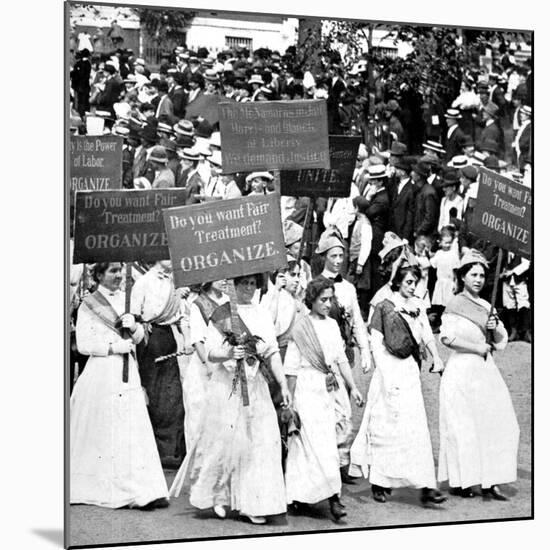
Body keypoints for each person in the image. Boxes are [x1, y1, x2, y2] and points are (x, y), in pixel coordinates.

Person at [169, 274, 290, 525]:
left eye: (252, 283)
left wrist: (283, 383)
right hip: (229, 386)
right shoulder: (221, 314)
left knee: (260, 442)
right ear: (233, 286)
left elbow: (272, 352)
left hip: (256, 386)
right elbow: (210, 353)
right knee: (226, 442)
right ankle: (219, 495)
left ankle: (255, 502)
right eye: (243, 283)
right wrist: (228, 353)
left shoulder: (263, 313)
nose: (248, 288)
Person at [71, 262, 169, 509]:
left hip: (128, 372)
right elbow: (82, 344)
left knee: (131, 426)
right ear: (100, 275)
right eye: (112, 271)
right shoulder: (88, 304)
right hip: (102, 371)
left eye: (119, 271)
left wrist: (133, 327)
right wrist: (113, 347)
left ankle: (140, 489)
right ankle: (113, 487)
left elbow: (139, 339)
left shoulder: (127, 300)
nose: (118, 276)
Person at [349, 261, 447, 506]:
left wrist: (435, 356)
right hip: (388, 373)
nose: (413, 287)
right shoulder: (384, 307)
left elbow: (425, 335)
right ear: (397, 282)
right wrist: (389, 378)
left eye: (416, 282)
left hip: (410, 371)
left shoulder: (418, 306)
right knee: (387, 426)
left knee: (416, 426)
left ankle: (425, 485)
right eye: (409, 282)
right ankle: (380, 482)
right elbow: (377, 345)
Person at [438, 250, 520, 499]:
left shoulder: (487, 305)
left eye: (482, 275)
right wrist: (476, 346)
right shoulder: (454, 304)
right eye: (473, 274)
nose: (478, 279)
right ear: (463, 277)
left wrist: (494, 330)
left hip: (485, 371)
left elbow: (502, 340)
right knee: (463, 426)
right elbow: (447, 337)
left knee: (496, 422)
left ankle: (491, 479)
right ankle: (462, 480)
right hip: (461, 371)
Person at [284, 278, 364, 521]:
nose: (328, 304)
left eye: (331, 299)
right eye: (323, 300)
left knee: (327, 445)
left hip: (326, 391)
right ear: (312, 300)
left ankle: (332, 495)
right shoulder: (301, 328)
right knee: (308, 446)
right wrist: (290, 402)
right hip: (306, 391)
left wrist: (354, 387)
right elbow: (291, 368)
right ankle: (306, 496)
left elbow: (340, 360)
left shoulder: (331, 325)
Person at [130, 260, 186, 468]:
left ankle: (172, 449)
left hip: (168, 336)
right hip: (149, 338)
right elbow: (134, 314)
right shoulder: (143, 282)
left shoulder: (173, 282)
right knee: (155, 393)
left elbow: (178, 315)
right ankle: (158, 448)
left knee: (173, 394)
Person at [184, 280, 229, 448]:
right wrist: (209, 367)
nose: (224, 279)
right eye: (220, 276)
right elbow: (198, 341)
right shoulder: (198, 304)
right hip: (204, 368)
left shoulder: (228, 300)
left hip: (225, 362)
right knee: (201, 416)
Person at [430, 226, 460, 330]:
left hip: (449, 282)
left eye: (449, 243)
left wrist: (456, 283)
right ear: (440, 242)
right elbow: (432, 264)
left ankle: (448, 325)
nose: (447, 245)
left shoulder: (453, 255)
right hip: (440, 282)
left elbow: (456, 271)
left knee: (448, 305)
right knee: (439, 305)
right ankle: (439, 324)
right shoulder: (438, 254)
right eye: (445, 242)